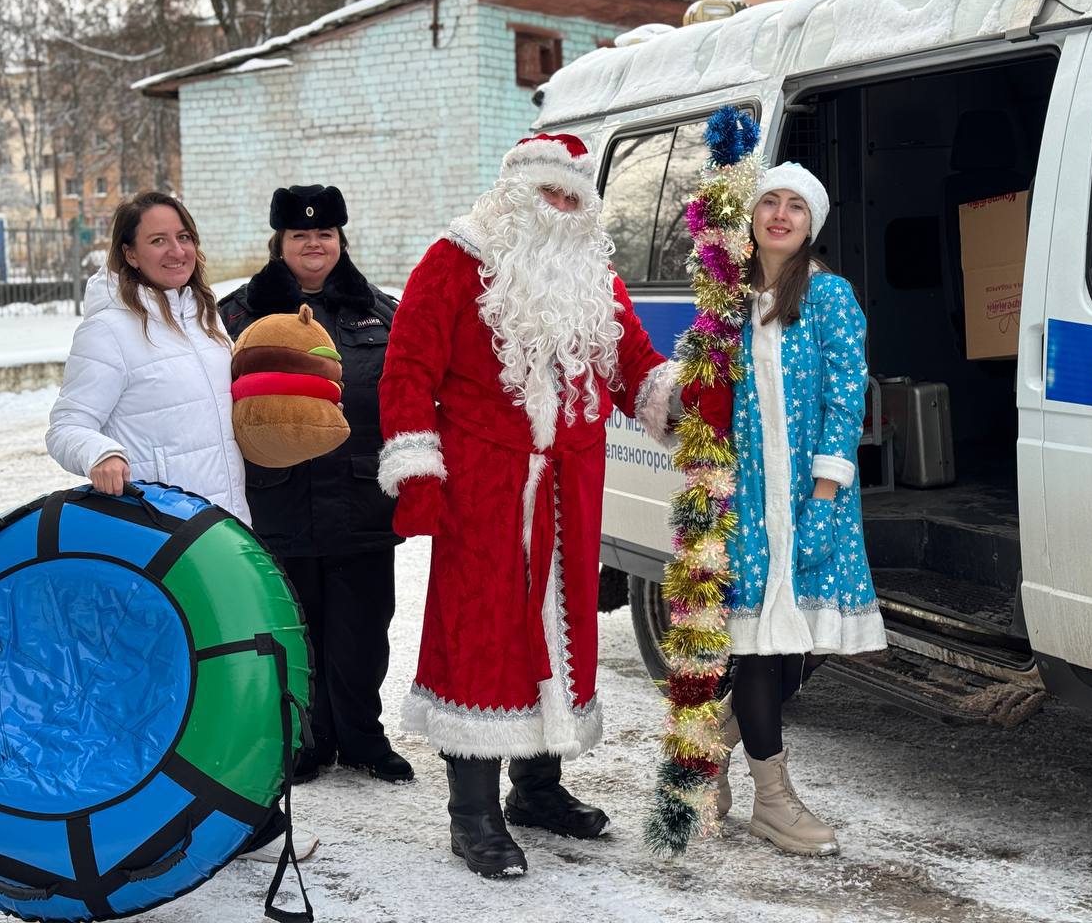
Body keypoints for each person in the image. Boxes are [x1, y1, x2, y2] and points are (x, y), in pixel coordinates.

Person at [376, 134, 681, 878]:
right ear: (515, 193)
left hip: (571, 484)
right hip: (485, 483)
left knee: (563, 629)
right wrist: (419, 469)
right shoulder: (455, 261)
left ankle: (537, 789)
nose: (563, 209)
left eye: (575, 196)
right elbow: (408, 367)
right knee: (481, 632)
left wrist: (685, 394)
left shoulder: (591, 275)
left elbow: (633, 364)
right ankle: (471, 814)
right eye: (552, 192)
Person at [45, 191, 318, 866]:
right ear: (129, 253)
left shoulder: (207, 319)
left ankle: (237, 815)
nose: (176, 251)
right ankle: (153, 830)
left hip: (226, 533)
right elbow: (67, 424)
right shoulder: (109, 331)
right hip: (162, 541)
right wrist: (100, 454)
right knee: (165, 684)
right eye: (159, 240)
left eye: (184, 236)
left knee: (231, 679)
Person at [686, 163, 887, 856]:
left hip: (809, 497)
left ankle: (709, 750)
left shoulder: (828, 296)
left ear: (810, 223)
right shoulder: (726, 303)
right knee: (761, 652)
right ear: (751, 218)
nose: (779, 214)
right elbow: (703, 394)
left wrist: (826, 496)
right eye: (768, 201)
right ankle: (773, 800)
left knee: (796, 654)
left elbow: (845, 398)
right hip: (744, 503)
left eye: (794, 206)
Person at [218, 184, 412, 784]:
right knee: (289, 626)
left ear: (341, 240)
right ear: (278, 242)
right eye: (300, 234)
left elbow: (408, 396)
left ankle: (361, 738)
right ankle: (302, 740)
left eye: (324, 233)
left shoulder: (382, 312)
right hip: (276, 501)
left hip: (360, 502)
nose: (313, 243)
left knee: (362, 629)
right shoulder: (233, 317)